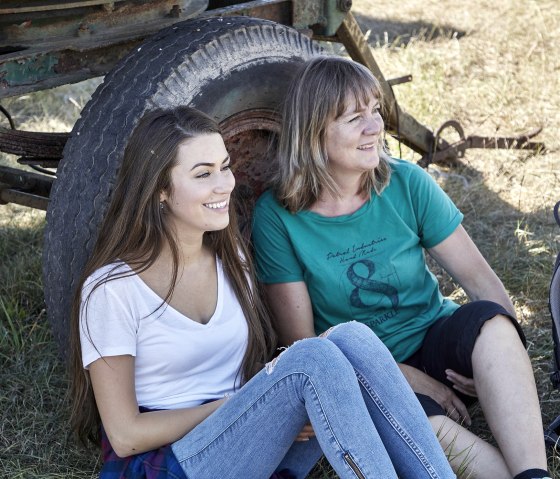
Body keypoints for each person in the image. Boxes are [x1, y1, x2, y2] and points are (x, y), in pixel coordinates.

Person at [68, 105, 456, 479]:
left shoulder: (230, 256)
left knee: (351, 338)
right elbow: (125, 436)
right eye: (203, 174)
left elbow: (241, 375)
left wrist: (272, 402)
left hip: (245, 439)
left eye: (224, 167)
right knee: (312, 359)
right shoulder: (112, 290)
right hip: (171, 460)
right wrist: (240, 407)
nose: (224, 184)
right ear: (160, 191)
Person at [251, 56, 550, 479]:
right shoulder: (278, 216)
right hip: (367, 378)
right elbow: (305, 346)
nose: (375, 127)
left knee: (493, 325)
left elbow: (482, 283)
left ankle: (535, 470)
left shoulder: (407, 183)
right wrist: (404, 377)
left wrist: (498, 358)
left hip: (437, 339)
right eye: (356, 118)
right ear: (314, 133)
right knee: (456, 451)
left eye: (375, 110)